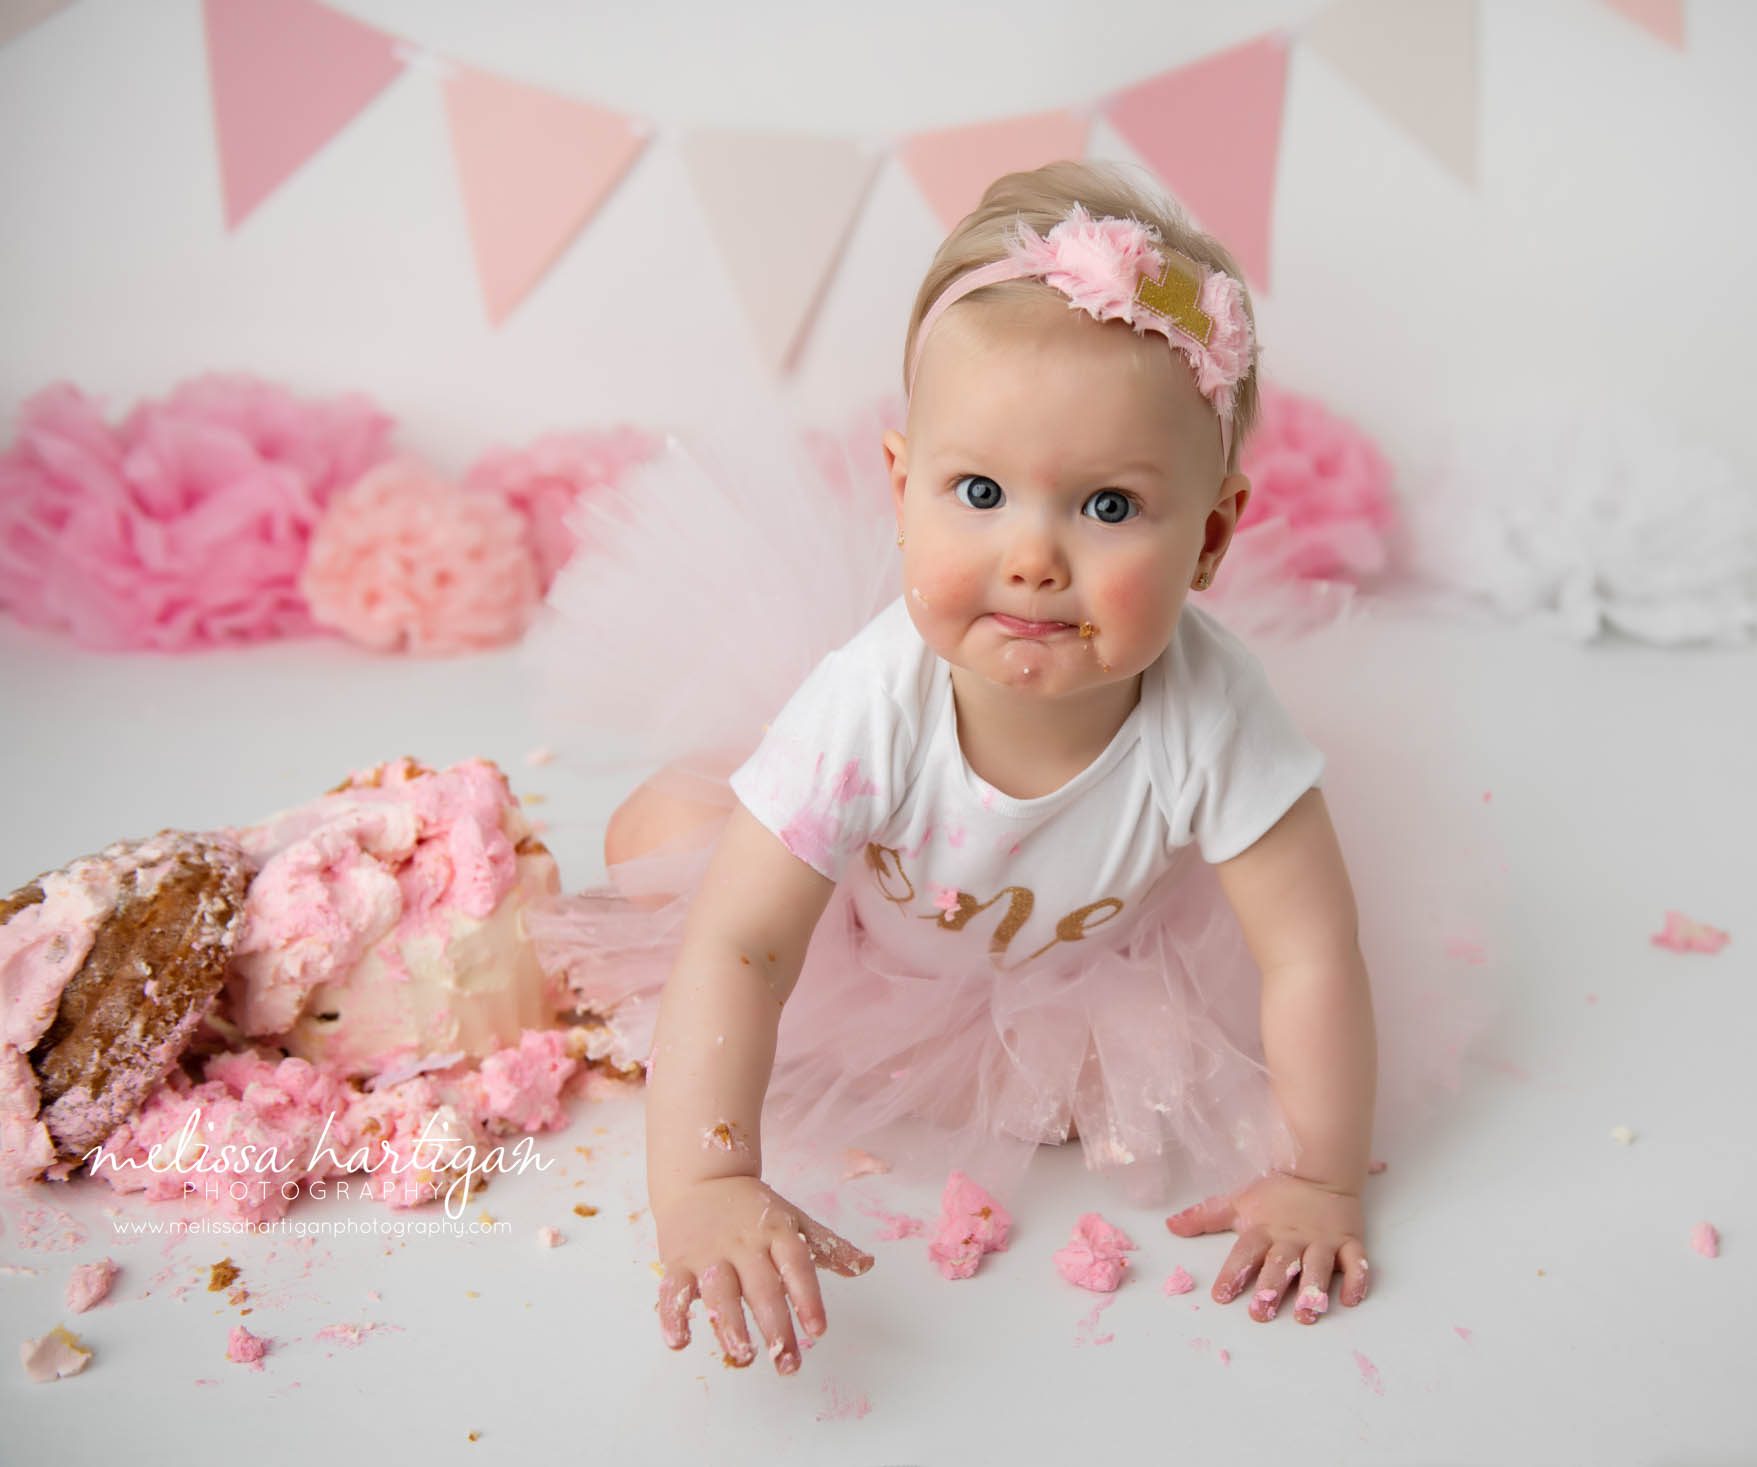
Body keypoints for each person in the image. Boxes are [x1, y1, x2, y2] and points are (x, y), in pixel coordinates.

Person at [526, 161, 1495, 1377]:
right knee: (667, 848)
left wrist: (1319, 1178)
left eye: (1105, 506)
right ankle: (727, 811)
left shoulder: (1215, 711)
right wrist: (707, 1182)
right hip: (865, 934)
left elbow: (1306, 951)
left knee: (1098, 1106)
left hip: (1086, 955)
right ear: (900, 489)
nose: (1032, 556)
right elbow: (744, 946)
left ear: (1207, 537)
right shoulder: (872, 700)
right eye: (978, 492)